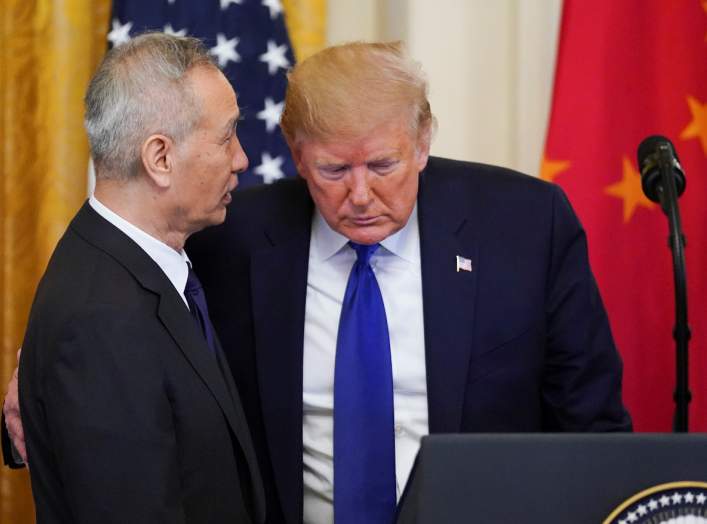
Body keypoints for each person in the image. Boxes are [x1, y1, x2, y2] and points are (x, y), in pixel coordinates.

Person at [5, 41, 631, 523]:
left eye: (383, 165)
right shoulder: (231, 237)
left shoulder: (525, 227)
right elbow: (119, 314)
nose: (360, 196)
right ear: (296, 153)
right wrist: (35, 378)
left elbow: (594, 433)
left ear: (423, 142)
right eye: (333, 169)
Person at [7, 33, 265, 523]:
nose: (241, 159)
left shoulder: (143, 265)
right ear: (160, 159)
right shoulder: (100, 320)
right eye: (227, 135)